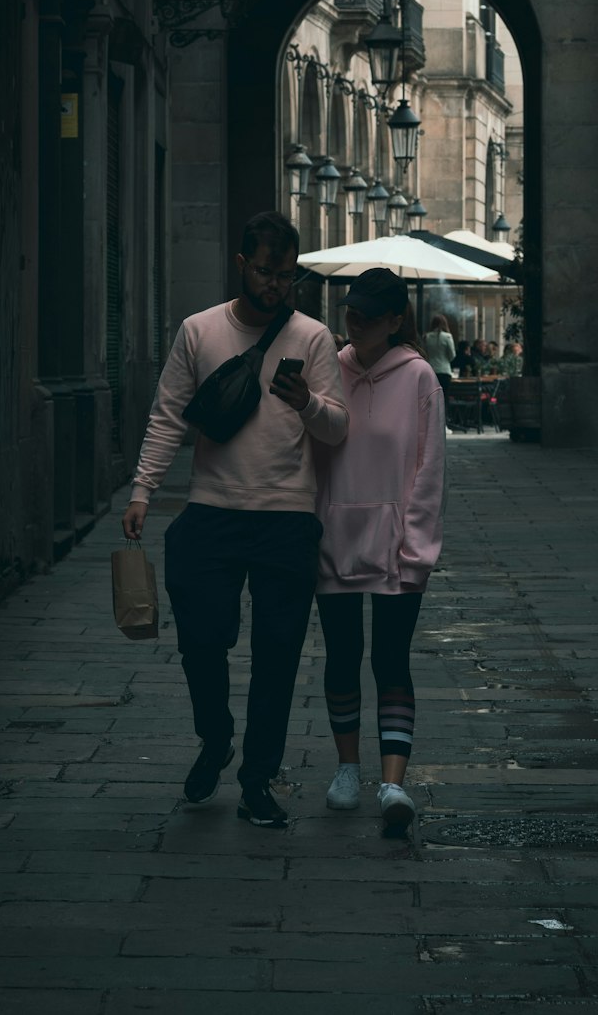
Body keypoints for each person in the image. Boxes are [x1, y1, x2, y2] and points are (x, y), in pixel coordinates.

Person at [122, 210, 348, 829]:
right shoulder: (199, 331)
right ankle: (215, 733)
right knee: (201, 641)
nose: (276, 284)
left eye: (287, 274)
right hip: (211, 514)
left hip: (286, 519)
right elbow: (168, 414)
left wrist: (309, 404)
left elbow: (338, 427)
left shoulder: (313, 337)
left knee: (276, 656)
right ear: (242, 264)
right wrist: (142, 490)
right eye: (267, 271)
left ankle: (256, 781)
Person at [314, 267, 446, 836]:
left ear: (395, 321)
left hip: (397, 547)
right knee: (342, 658)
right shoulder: (327, 369)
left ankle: (394, 782)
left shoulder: (419, 378)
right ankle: (348, 768)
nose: (357, 320)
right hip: (332, 542)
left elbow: (429, 470)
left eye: (370, 313)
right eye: (351, 311)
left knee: (390, 660)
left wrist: (416, 548)